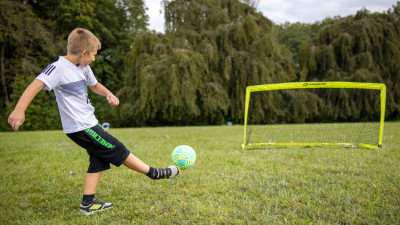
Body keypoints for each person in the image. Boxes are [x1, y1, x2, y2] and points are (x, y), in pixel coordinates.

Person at [7, 28, 179, 215]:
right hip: (80, 127)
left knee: (99, 157)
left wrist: (108, 93)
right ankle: (154, 173)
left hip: (88, 123)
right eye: (94, 55)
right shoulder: (57, 68)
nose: (94, 59)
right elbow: (36, 85)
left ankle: (87, 204)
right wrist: (19, 109)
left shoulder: (84, 67)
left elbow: (94, 85)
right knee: (117, 148)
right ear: (84, 52)